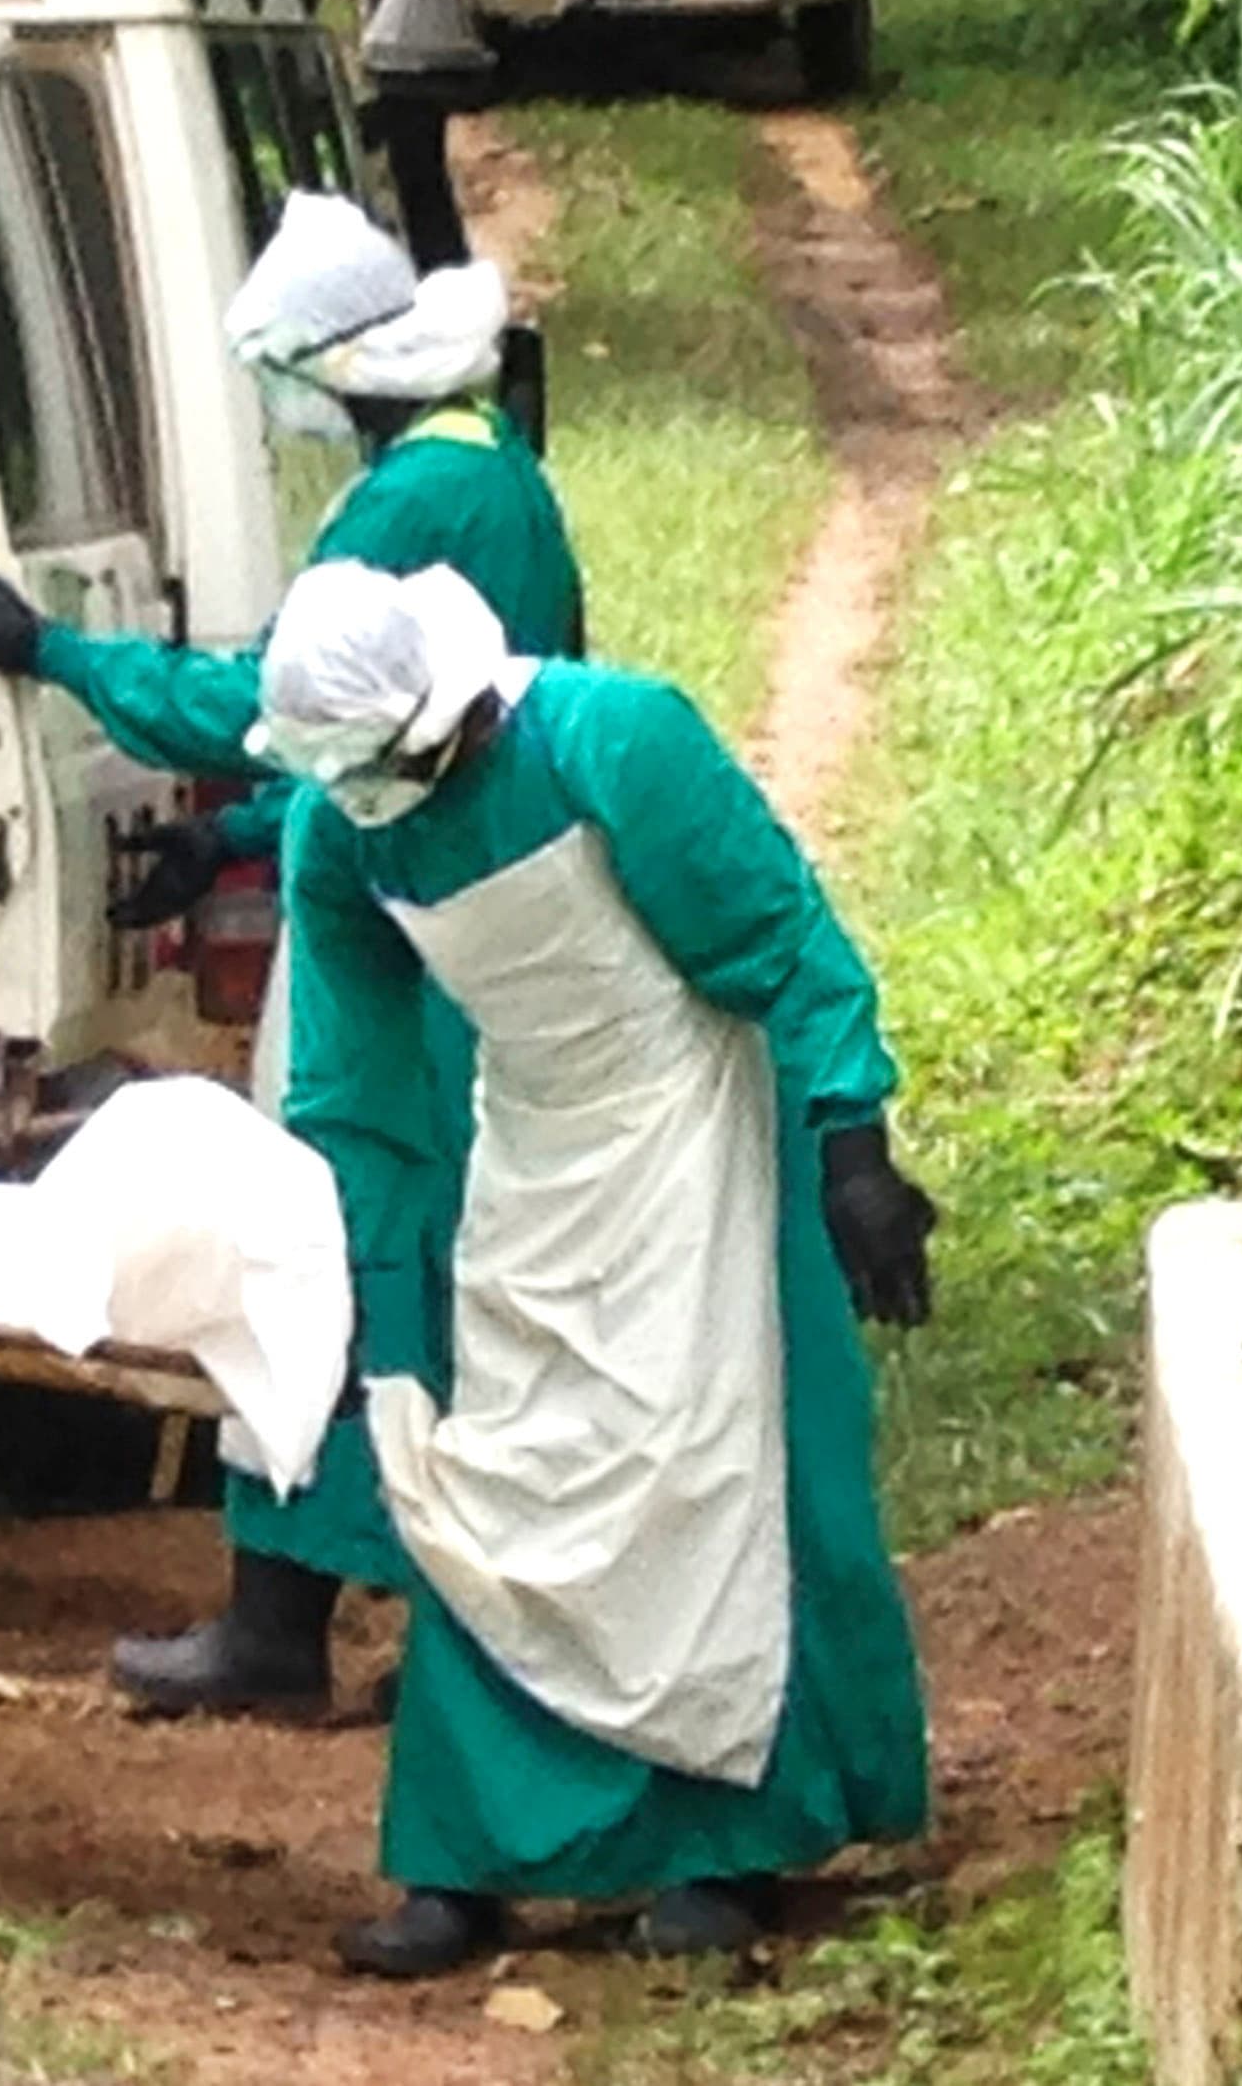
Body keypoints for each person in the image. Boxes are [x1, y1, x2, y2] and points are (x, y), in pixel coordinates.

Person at [0, 193, 585, 1720]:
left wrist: (54, 652)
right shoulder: (489, 471)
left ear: (340, 362)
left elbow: (272, 702)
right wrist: (230, 848)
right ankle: (334, 1606)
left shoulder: (414, 499)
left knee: (325, 1249)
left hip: (396, 940)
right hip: (433, 891)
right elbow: (392, 724)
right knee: (398, 1255)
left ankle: (290, 1620)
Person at [247, 559, 937, 1979]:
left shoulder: (614, 738)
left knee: (708, 1481)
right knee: (501, 1476)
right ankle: (467, 1858)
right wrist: (371, 1301)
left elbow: (781, 936)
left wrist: (849, 1142)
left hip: (691, 1123)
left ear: (453, 717)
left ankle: (724, 1845)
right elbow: (356, 1080)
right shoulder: (339, 832)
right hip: (532, 1152)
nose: (379, 799)